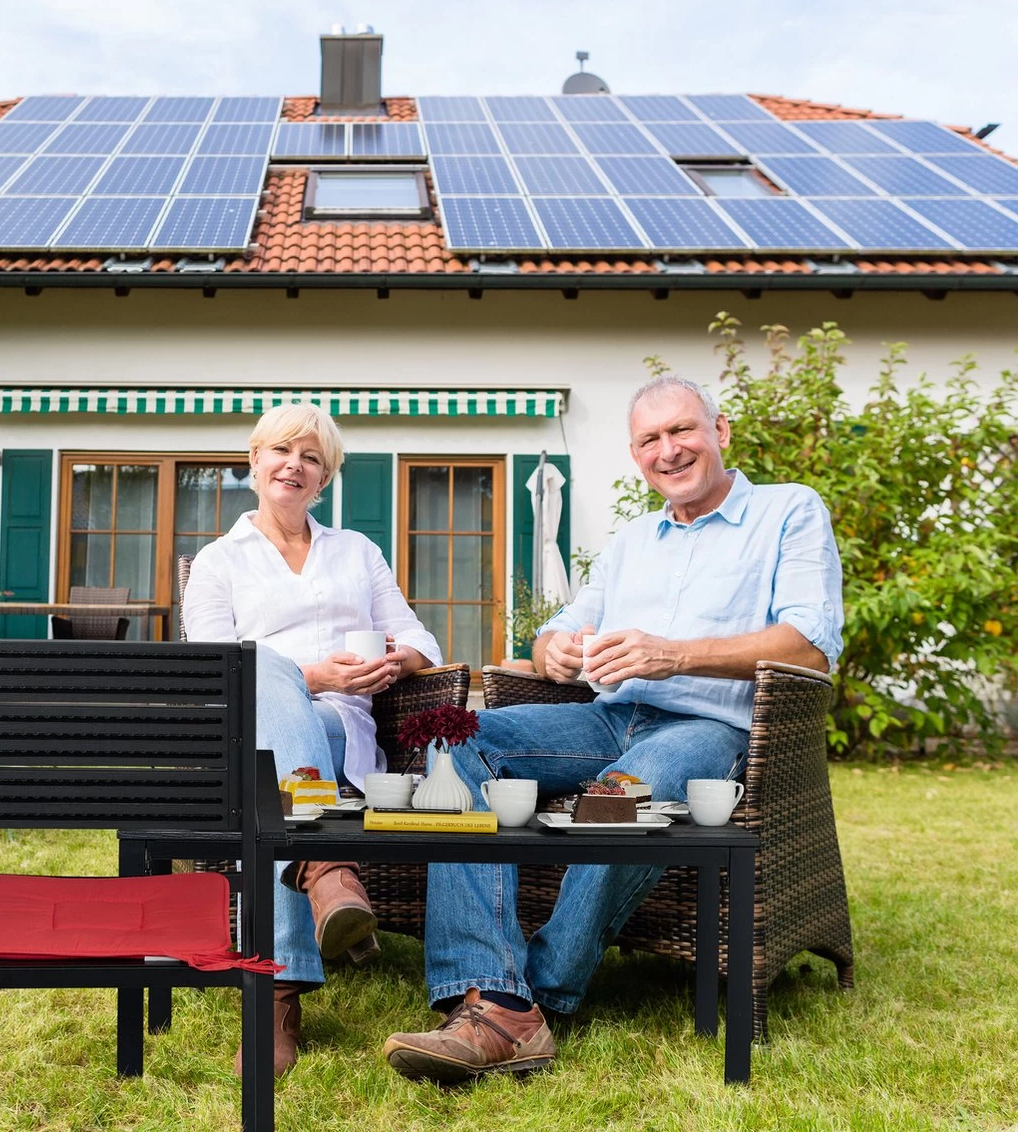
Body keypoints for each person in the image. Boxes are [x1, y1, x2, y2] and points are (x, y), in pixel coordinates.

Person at [384, 375, 844, 1083]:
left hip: (707, 726)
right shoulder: (632, 540)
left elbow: (810, 646)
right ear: (637, 456)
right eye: (650, 440)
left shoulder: (788, 512)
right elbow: (558, 634)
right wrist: (554, 652)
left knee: (627, 793)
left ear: (719, 434)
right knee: (453, 735)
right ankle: (496, 988)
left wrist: (676, 655)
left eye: (682, 430)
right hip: (604, 716)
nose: (669, 450)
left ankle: (522, 997)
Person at [184, 404, 440, 1075]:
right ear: (255, 462)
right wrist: (310, 672)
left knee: (280, 775)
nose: (294, 465)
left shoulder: (356, 551)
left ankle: (275, 998)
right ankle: (321, 868)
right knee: (256, 665)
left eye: (311, 457)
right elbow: (212, 668)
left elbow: (421, 639)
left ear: (323, 478)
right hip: (244, 734)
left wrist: (396, 663)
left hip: (341, 730)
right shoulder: (217, 562)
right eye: (281, 451)